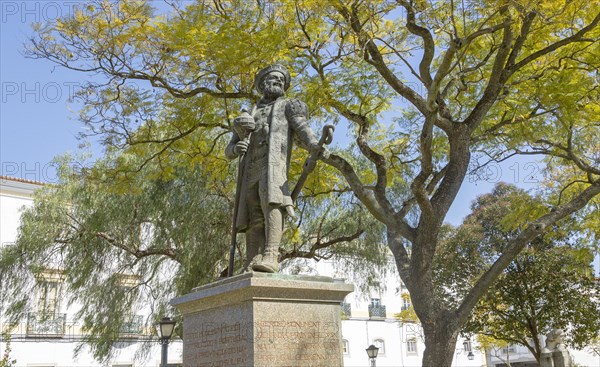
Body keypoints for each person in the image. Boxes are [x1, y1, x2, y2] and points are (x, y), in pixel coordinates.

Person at [225, 64, 326, 273]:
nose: (279, 82)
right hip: (249, 169)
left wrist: (315, 145)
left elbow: (303, 129)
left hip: (273, 167)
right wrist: (236, 148)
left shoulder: (289, 106)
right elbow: (229, 149)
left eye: (282, 80)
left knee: (272, 204)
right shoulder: (248, 113)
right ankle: (251, 259)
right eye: (274, 78)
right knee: (253, 214)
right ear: (263, 84)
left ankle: (271, 254)